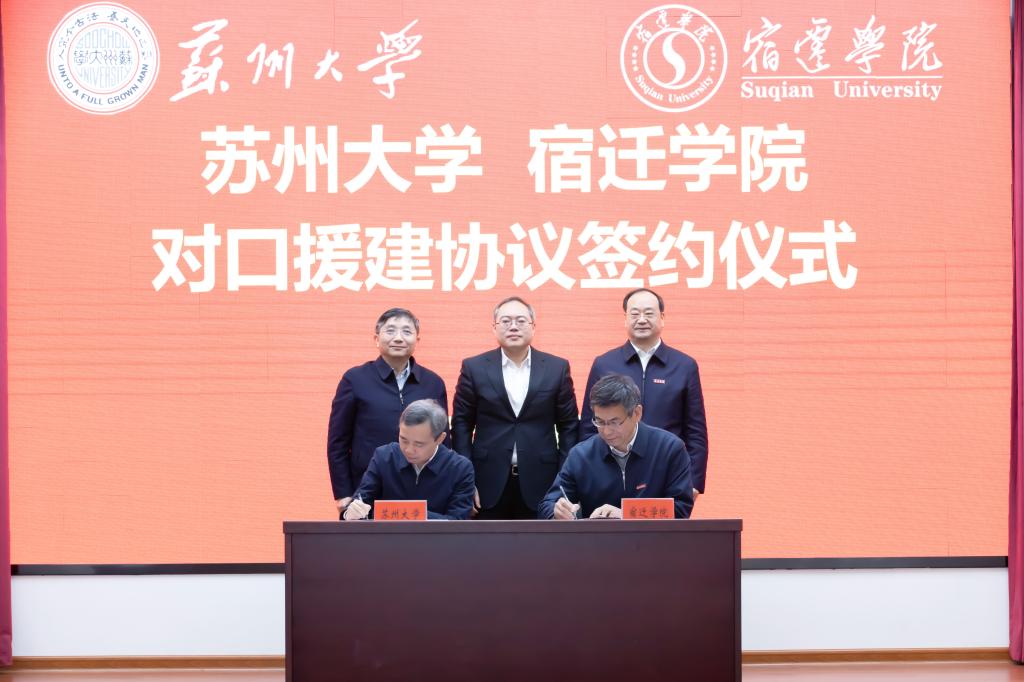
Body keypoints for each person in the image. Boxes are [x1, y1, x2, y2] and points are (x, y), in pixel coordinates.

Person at [452, 296, 579, 519]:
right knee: (488, 541)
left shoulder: (556, 368)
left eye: (520, 321)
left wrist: (563, 481)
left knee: (540, 542)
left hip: (544, 481)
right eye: (505, 321)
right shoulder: (474, 367)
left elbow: (569, 426)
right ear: (494, 327)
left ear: (533, 326)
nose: (513, 326)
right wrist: (466, 480)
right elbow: (461, 424)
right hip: (486, 480)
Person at [578, 288, 709, 501]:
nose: (641, 320)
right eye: (634, 313)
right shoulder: (604, 364)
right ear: (625, 319)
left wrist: (693, 482)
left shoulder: (684, 365)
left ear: (662, 318)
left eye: (649, 313)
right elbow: (588, 426)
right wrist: (586, 474)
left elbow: (696, 431)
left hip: (668, 472)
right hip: (612, 472)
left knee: (661, 524)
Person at [326, 308, 448, 516]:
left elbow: (444, 442)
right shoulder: (355, 379)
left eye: (407, 332)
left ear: (417, 340)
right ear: (376, 338)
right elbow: (338, 441)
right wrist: (343, 493)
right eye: (390, 331)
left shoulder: (433, 382)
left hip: (424, 488)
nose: (398, 338)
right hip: (367, 490)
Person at [539, 374, 693, 520]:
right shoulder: (581, 455)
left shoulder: (669, 449)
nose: (606, 431)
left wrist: (627, 515)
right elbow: (547, 505)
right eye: (600, 421)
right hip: (598, 539)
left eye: (614, 422)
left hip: (653, 538)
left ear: (637, 413)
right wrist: (557, 511)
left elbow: (681, 509)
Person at [342, 400, 475, 521]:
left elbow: (458, 522)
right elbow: (361, 501)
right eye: (403, 440)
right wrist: (350, 513)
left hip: (437, 540)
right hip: (387, 539)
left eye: (419, 444)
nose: (409, 450)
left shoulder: (460, 468)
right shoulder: (384, 457)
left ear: (440, 439)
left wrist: (413, 515)